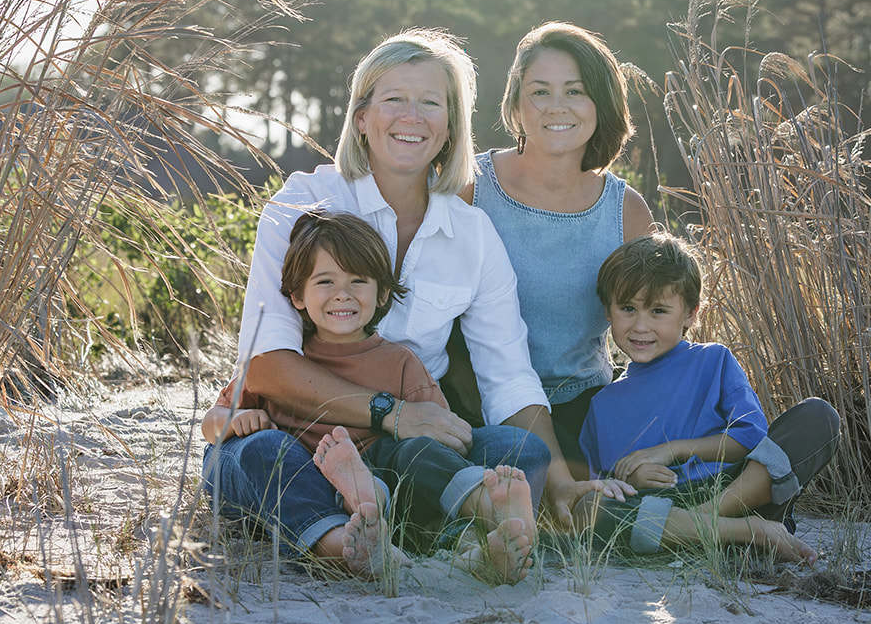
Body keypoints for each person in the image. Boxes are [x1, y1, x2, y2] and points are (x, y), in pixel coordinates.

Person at [203, 28, 596, 573]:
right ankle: (344, 545)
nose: (411, 117)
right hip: (301, 445)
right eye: (394, 99)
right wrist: (393, 413)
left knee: (519, 451)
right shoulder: (302, 204)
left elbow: (508, 376)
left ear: (450, 126)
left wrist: (560, 480)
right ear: (362, 117)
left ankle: (445, 537)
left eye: (430, 102)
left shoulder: (473, 234)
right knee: (255, 455)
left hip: (402, 456)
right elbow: (266, 365)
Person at [204, 210, 536, 582]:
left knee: (417, 453)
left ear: (382, 294)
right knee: (271, 452)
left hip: (386, 486)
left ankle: (485, 524)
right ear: (297, 295)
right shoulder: (286, 361)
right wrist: (235, 419)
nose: (342, 294)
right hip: (305, 481)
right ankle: (349, 542)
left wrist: (422, 451)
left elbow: (442, 436)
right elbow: (210, 425)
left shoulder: (400, 362)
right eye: (325, 281)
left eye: (358, 281)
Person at [574, 232, 842, 563]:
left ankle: (707, 524)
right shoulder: (602, 404)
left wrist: (674, 450)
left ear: (690, 313)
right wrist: (629, 478)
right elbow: (601, 483)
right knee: (589, 507)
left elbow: (751, 438)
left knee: (818, 416)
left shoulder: (713, 361)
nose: (640, 326)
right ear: (608, 311)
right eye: (628, 308)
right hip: (663, 506)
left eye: (658, 311)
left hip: (735, 491)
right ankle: (745, 534)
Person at [464, 22, 653, 473]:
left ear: (601, 102)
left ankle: (758, 475)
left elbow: (656, 324)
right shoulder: (470, 187)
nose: (556, 107)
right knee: (577, 481)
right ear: (516, 104)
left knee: (644, 465)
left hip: (584, 402)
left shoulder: (626, 211)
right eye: (539, 92)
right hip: (478, 402)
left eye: (575, 91)